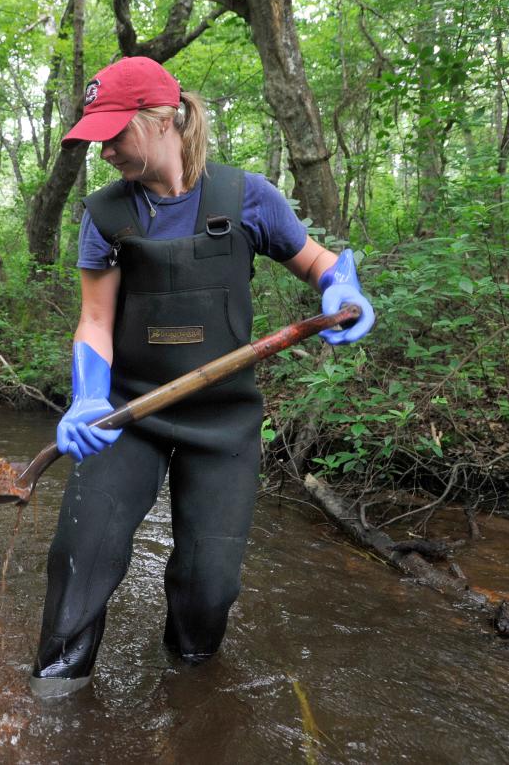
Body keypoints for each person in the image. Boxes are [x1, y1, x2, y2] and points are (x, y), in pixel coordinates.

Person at [31, 57, 375, 697]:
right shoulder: (105, 215)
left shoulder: (247, 197)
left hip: (222, 417)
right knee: (80, 556)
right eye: (97, 138)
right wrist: (86, 397)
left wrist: (341, 285)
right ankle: (55, 697)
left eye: (115, 134)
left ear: (164, 118)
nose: (104, 152)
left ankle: (190, 696)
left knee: (208, 582)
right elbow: (96, 320)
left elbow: (317, 261)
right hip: (125, 414)